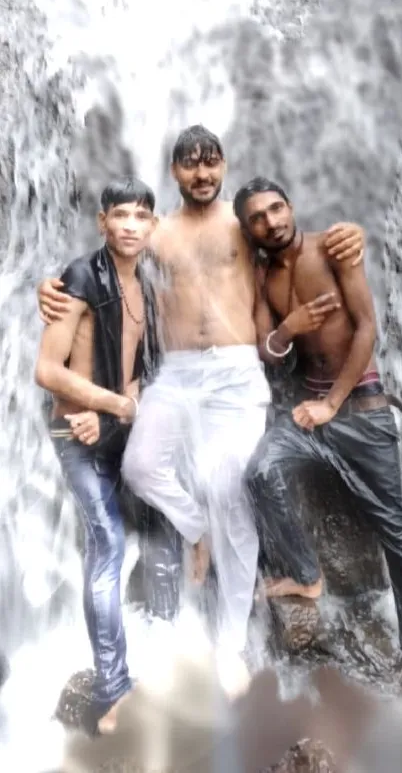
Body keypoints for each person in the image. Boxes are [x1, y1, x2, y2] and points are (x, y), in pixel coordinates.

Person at [37, 126, 364, 664]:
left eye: (211, 163)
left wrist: (347, 233)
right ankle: (195, 529)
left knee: (232, 494)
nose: (202, 173)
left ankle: (231, 646)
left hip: (237, 374)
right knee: (142, 467)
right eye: (191, 165)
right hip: (179, 373)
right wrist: (47, 287)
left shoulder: (245, 226)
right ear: (174, 173)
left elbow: (294, 237)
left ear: (225, 165)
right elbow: (102, 264)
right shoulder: (156, 232)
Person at [35, 178, 181, 734]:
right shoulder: (78, 276)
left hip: (119, 428)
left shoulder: (147, 281)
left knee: (169, 521)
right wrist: (112, 404)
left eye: (140, 216)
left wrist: (123, 408)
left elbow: (145, 372)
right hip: (75, 435)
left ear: (153, 226)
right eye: (119, 214)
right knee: (107, 545)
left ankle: (166, 653)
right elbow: (47, 371)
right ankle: (113, 687)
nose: (129, 225)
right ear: (102, 222)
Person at [234, 176, 402, 649]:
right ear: (250, 230)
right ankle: (307, 576)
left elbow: (368, 327)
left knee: (396, 528)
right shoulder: (265, 276)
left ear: (290, 206)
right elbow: (268, 349)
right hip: (310, 413)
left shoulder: (332, 247)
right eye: (258, 218)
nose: (270, 221)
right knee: (260, 473)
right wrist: (291, 326)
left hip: (359, 407)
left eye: (275, 209)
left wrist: (332, 404)